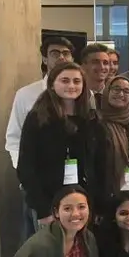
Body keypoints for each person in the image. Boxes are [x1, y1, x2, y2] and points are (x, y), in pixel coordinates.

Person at [18, 63, 106, 227]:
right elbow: (26, 166)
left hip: (84, 202)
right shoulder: (38, 118)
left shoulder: (92, 119)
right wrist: (43, 209)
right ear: (52, 84)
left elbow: (101, 164)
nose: (71, 86)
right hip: (49, 202)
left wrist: (99, 205)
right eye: (65, 81)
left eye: (76, 81)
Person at [7, 36, 74, 170]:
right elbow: (14, 138)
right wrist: (23, 169)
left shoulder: (82, 93)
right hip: (38, 172)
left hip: (74, 173)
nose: (61, 58)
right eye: (55, 53)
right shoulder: (26, 94)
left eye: (66, 53)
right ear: (44, 59)